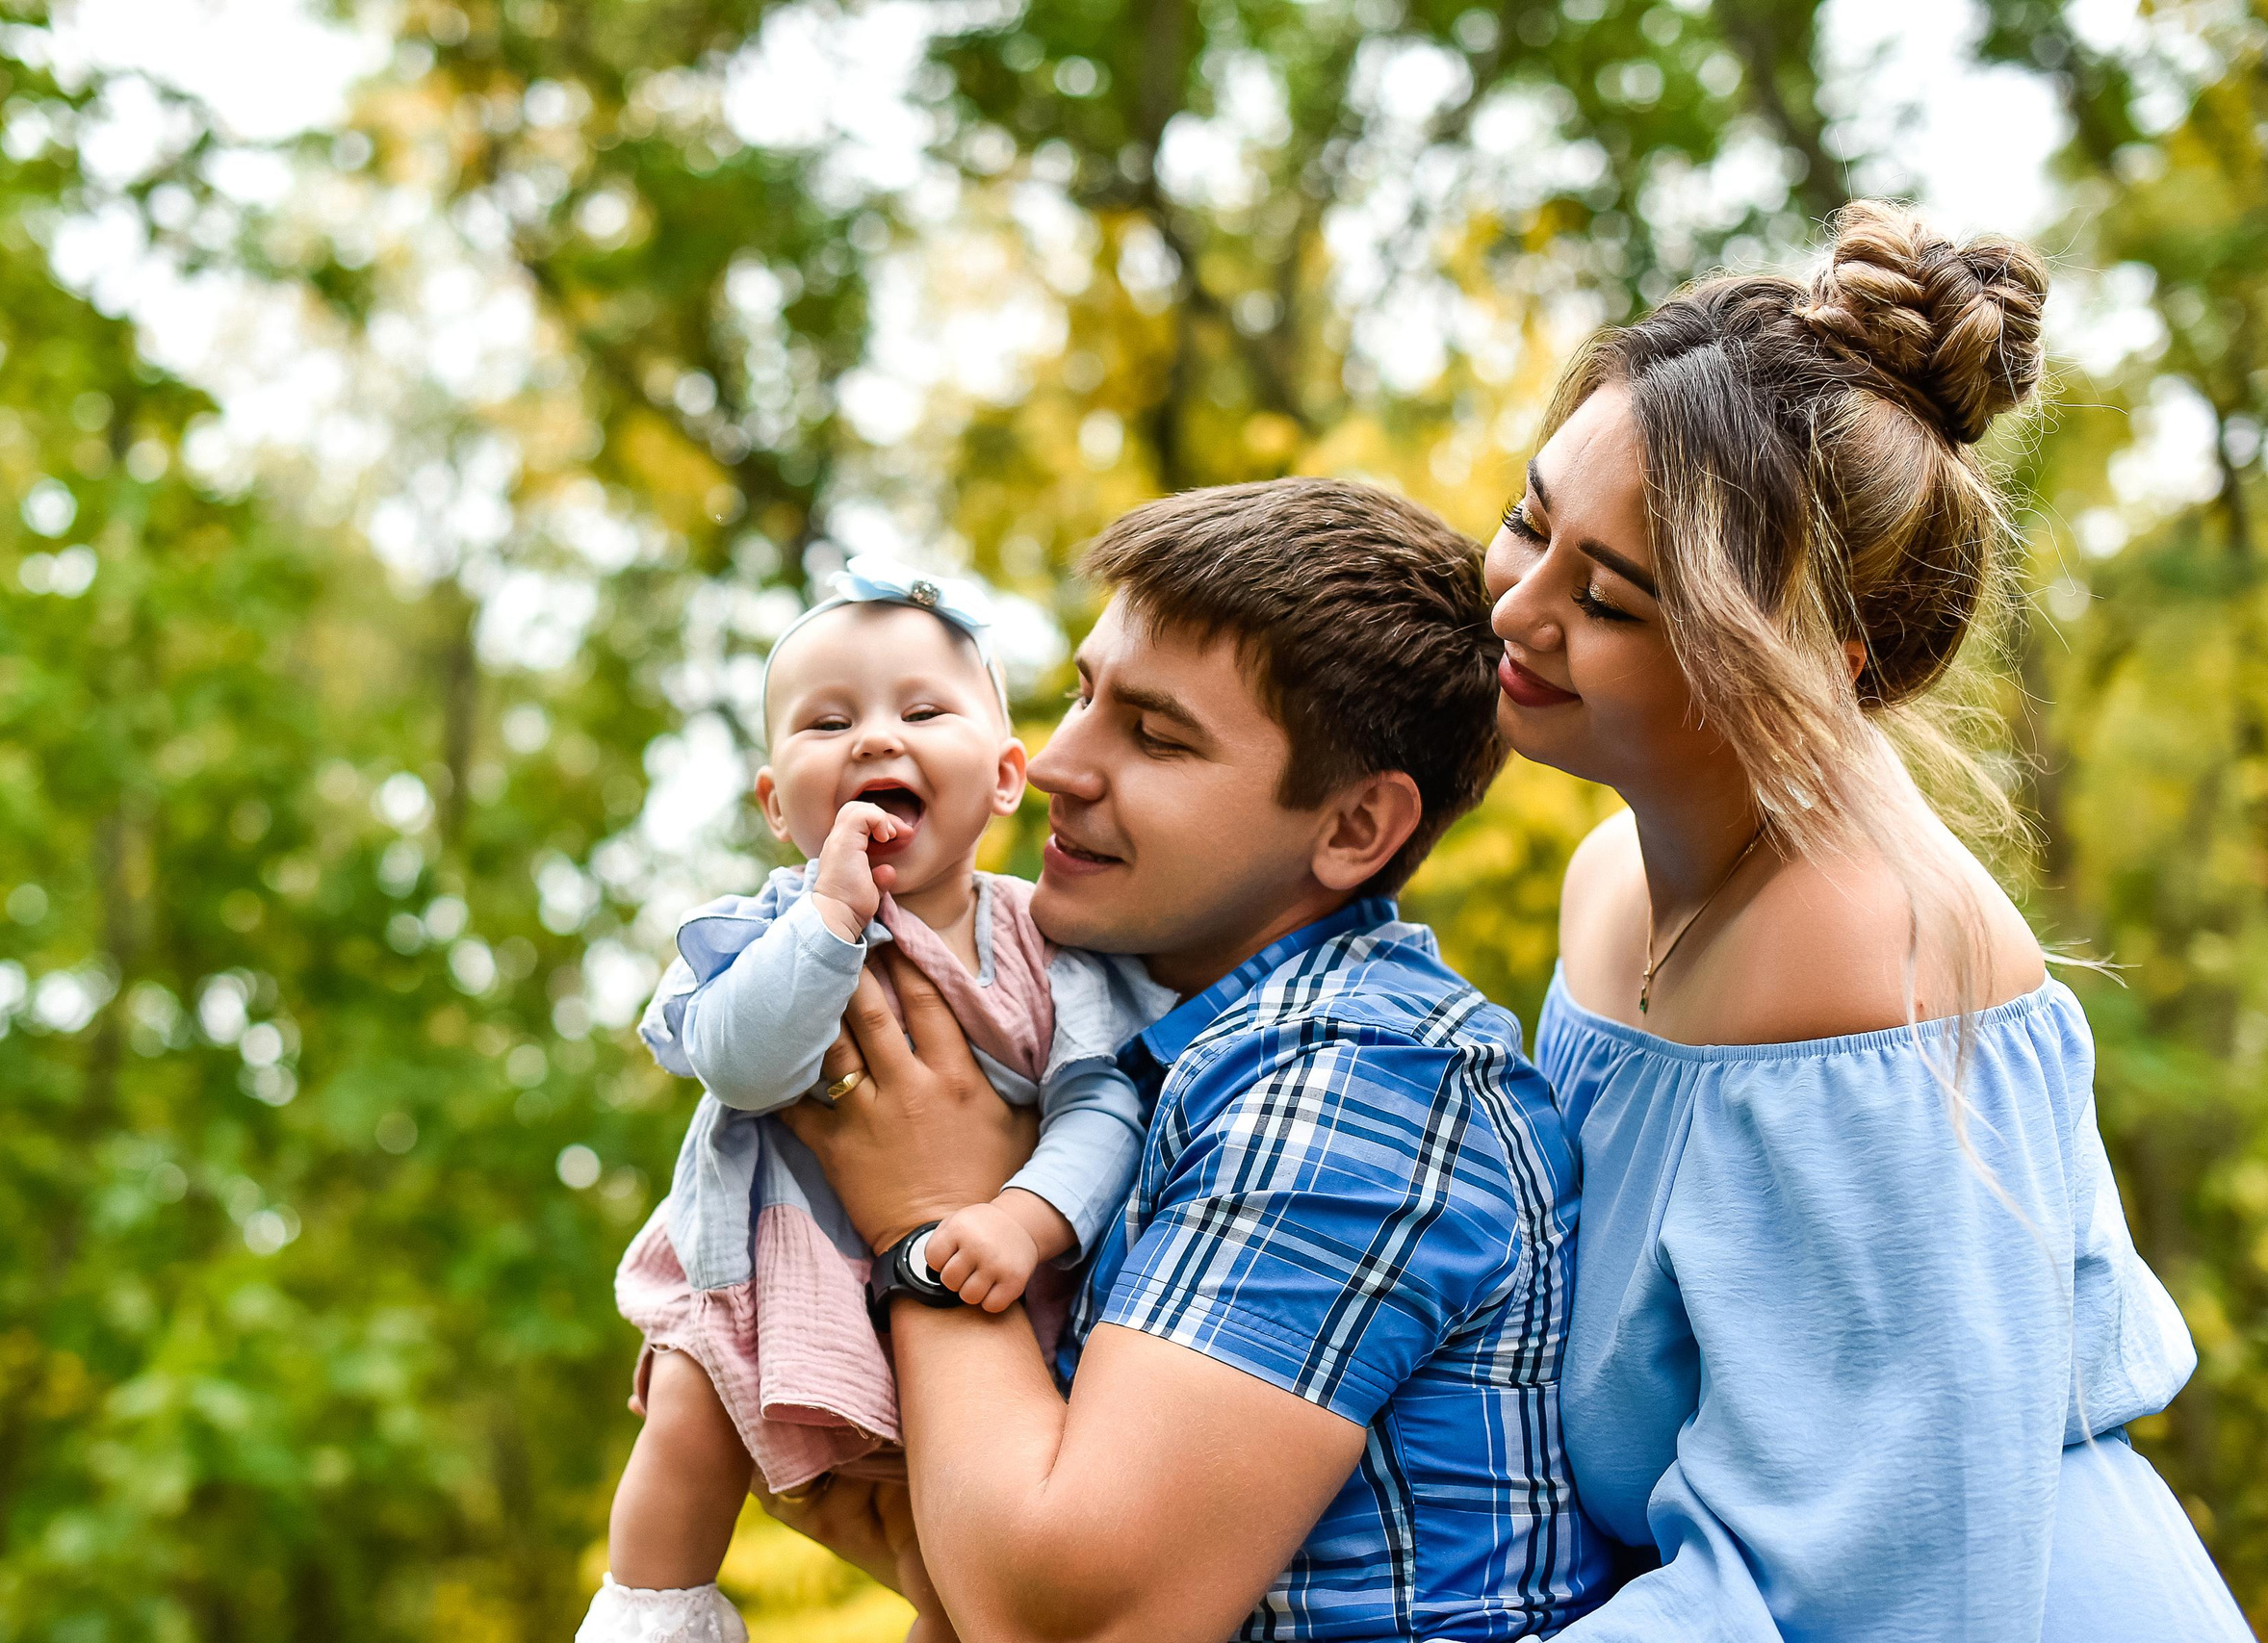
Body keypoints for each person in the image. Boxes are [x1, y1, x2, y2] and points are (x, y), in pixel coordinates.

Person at [1487, 200, 2251, 1637]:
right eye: (1531, 517)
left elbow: (1882, 1572)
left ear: (1807, 662)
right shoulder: (1615, 877)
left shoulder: (1851, 956)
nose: (1519, 606)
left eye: (1611, 599)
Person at [776, 479, 1619, 1641]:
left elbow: (1066, 1620)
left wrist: (927, 1218)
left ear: (1352, 830)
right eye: (1081, 694)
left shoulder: (1355, 1080)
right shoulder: (1150, 1049)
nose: (1060, 763)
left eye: (1157, 736)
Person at [581, 561, 1167, 1643]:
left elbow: (1102, 1107)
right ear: (773, 804)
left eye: (922, 709)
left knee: (953, 1549)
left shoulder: (1055, 944)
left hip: (979, 1288)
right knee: (687, 1421)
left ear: (1004, 777)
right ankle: (651, 1618)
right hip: (773, 1265)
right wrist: (829, 919)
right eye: (827, 722)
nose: (873, 738)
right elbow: (745, 1063)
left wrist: (1022, 1219)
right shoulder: (755, 930)